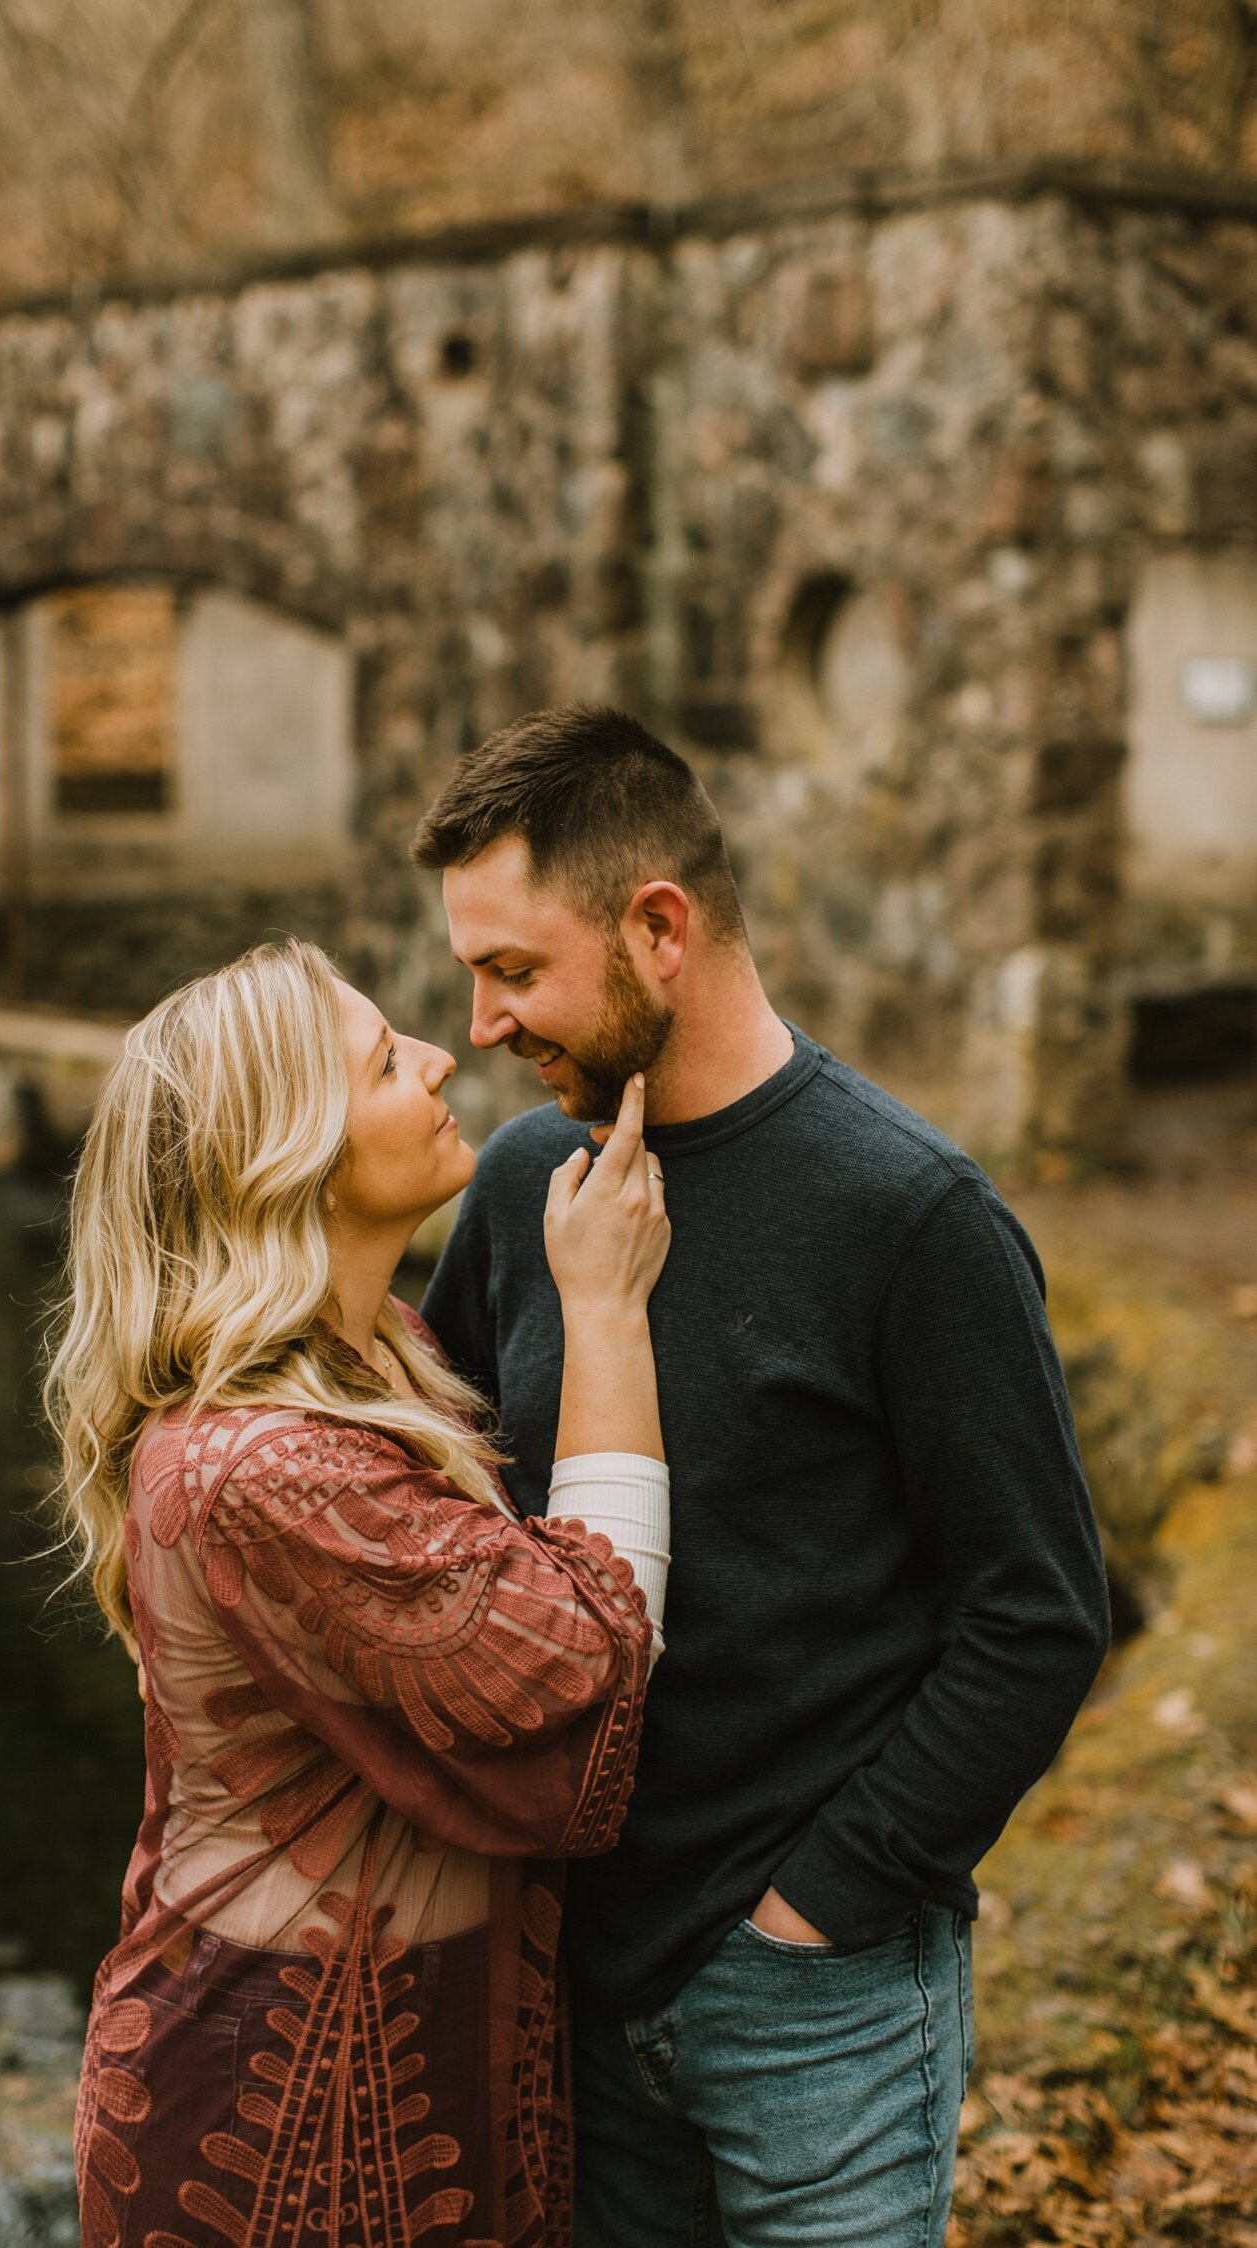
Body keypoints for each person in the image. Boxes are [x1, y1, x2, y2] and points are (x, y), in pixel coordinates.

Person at [414, 705, 1112, 2248]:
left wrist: (819, 1911)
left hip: (822, 2000)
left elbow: (1038, 1615)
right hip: (571, 1974)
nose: (479, 1024)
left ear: (658, 928)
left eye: (513, 970)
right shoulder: (535, 1182)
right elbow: (426, 1499)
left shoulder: (913, 1218)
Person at [45, 938, 673, 2248]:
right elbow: (576, 1675)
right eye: (387, 1062)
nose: (443, 1056)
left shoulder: (379, 1354)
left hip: (402, 2070)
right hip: (268, 2119)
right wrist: (606, 1312)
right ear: (293, 1160)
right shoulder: (265, 1467)